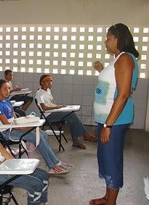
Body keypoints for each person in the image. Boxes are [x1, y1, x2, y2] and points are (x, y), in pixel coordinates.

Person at [91, 23, 139, 205]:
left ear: (119, 38)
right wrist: (101, 69)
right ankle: (107, 197)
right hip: (106, 119)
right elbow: (113, 82)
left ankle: (112, 202)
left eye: (109, 38)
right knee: (105, 159)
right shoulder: (117, 58)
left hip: (114, 121)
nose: (106, 41)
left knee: (112, 161)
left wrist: (108, 125)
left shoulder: (126, 58)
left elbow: (124, 94)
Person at [0, 79, 72, 174]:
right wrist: (24, 128)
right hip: (6, 132)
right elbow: (6, 124)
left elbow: (14, 119)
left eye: (9, 88)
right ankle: (51, 166)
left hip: (14, 127)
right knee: (36, 137)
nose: (8, 91)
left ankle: (55, 162)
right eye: (4, 89)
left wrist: (25, 122)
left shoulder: (7, 101)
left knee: (42, 134)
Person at [35, 74, 97, 149]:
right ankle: (85, 135)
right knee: (71, 115)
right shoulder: (39, 93)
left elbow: (50, 104)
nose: (50, 82)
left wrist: (59, 106)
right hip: (48, 116)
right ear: (42, 82)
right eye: (47, 81)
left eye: (51, 81)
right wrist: (57, 107)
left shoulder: (48, 91)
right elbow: (44, 108)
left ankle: (76, 142)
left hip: (53, 112)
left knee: (71, 118)